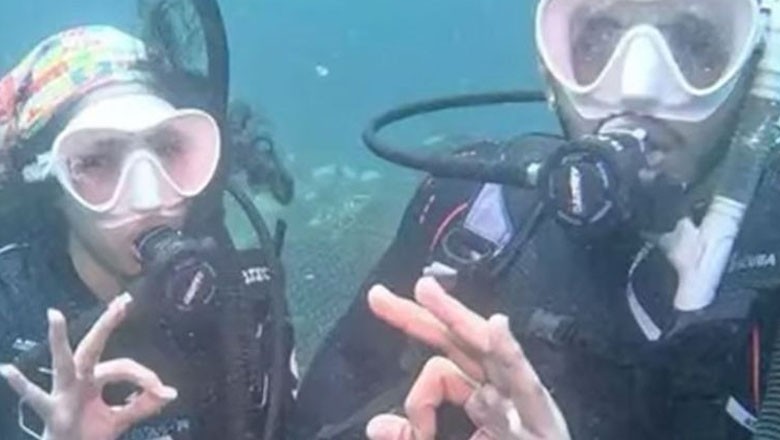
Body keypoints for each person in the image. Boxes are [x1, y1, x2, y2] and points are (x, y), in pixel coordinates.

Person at [293, 0, 780, 438]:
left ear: (757, 69)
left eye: (694, 44)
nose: (638, 87)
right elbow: (317, 418)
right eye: (598, 40)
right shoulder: (472, 208)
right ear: (553, 73)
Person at [0, 23, 296, 440]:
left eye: (168, 148)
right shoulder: (9, 308)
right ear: (50, 184)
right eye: (96, 161)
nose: (149, 198)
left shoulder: (242, 298)